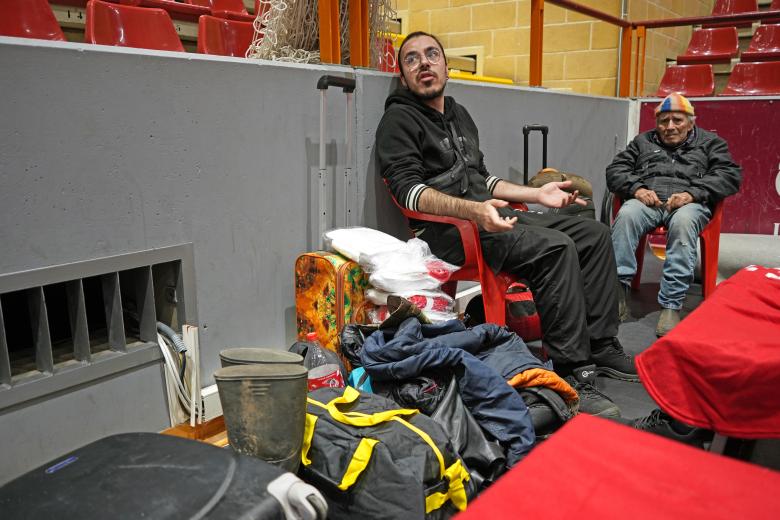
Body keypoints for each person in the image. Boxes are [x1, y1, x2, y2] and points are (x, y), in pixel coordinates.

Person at [375, 31, 637, 418]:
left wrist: (538, 195)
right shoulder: (397, 121)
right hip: (450, 234)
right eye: (412, 59)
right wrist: (472, 211)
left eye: (432, 54)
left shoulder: (459, 113)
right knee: (556, 249)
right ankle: (572, 374)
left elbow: (485, 179)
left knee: (593, 234)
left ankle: (600, 344)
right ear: (403, 75)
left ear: (447, 65)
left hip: (490, 216)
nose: (424, 63)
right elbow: (408, 192)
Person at [606, 93, 741, 337]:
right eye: (663, 121)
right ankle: (616, 292)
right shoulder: (642, 142)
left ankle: (671, 304)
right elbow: (616, 170)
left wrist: (692, 193)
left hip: (688, 204)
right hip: (650, 202)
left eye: (677, 120)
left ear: (691, 122)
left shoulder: (712, 143)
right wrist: (637, 188)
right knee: (626, 215)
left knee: (683, 221)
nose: (669, 127)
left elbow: (729, 175)